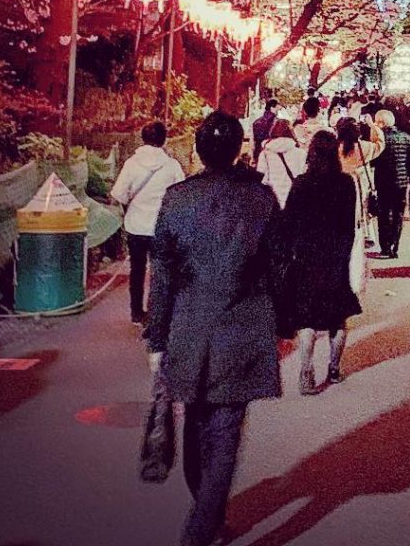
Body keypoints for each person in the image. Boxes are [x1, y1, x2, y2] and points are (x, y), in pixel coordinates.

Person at [145, 112, 283, 546]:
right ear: (239, 148)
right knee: (225, 430)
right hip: (243, 323)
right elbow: (277, 266)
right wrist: (285, 323)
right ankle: (204, 523)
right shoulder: (261, 200)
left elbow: (163, 274)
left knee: (195, 421)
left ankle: (204, 518)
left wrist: (156, 334)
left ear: (199, 150)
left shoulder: (177, 199)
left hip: (189, 322)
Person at [281, 130, 361, 393]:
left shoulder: (301, 184)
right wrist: (345, 255)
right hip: (335, 257)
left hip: (306, 258)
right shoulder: (346, 184)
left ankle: (306, 373)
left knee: (307, 320)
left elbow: (288, 223)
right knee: (337, 318)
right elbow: (350, 225)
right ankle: (334, 369)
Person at [110, 120, 185, 325]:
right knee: (160, 271)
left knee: (137, 269)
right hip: (162, 227)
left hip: (136, 225)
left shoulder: (132, 164)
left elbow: (119, 194)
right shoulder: (171, 166)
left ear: (143, 139)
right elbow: (181, 194)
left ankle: (136, 313)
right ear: (164, 139)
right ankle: (158, 312)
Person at [373, 110, 410, 258]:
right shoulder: (406, 138)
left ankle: (385, 247)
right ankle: (395, 246)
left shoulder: (381, 139)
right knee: (398, 215)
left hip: (383, 182)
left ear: (381, 123)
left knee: (384, 214)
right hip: (401, 182)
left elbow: (373, 161)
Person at [337, 116, 385, 245]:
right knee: (364, 208)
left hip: (342, 183)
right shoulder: (365, 147)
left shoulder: (337, 149)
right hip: (362, 182)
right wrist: (373, 126)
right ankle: (367, 234)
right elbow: (380, 144)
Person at [256, 119, 307, 208]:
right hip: (294, 200)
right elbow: (303, 177)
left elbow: (261, 179)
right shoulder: (301, 153)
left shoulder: (264, 154)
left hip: (273, 202)